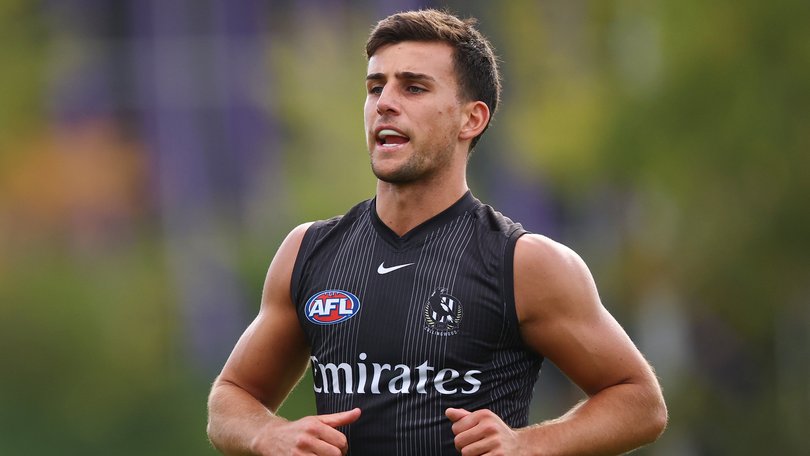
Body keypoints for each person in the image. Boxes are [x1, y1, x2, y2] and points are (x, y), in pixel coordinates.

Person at [207, 8, 667, 456]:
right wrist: (269, 435)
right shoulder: (308, 251)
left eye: (413, 87)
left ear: (472, 119)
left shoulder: (524, 263)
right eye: (375, 87)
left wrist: (528, 443)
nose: (385, 103)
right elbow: (231, 398)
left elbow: (640, 402)